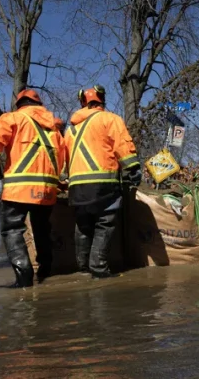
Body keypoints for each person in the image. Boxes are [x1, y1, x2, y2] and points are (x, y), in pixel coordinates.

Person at [0, 89, 65, 288]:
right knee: (42, 229)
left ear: (19, 105)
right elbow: (62, 158)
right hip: (46, 191)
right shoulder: (54, 128)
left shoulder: (12, 118)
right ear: (39, 105)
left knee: (11, 229)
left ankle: (24, 278)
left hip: (18, 190)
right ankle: (46, 272)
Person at [64, 85, 142, 279]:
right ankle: (98, 269)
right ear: (102, 100)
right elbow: (123, 146)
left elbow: (63, 158)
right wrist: (133, 169)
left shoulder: (70, 130)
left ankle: (83, 269)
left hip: (76, 187)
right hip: (103, 184)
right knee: (104, 223)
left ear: (83, 103)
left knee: (83, 224)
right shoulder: (110, 119)